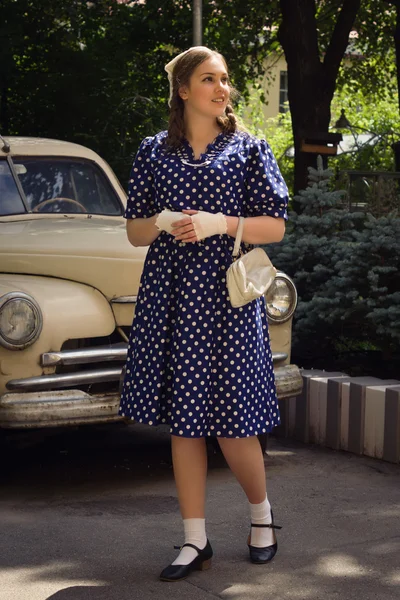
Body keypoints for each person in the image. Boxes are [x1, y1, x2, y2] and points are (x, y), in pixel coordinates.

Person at [118, 46, 289, 582]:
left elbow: (276, 226)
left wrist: (221, 223)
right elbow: (135, 229)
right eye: (209, 79)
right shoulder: (153, 151)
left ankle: (262, 520)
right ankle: (195, 540)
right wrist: (165, 219)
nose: (222, 89)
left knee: (235, 423)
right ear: (184, 90)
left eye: (225, 80)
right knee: (184, 424)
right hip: (173, 297)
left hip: (229, 301)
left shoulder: (249, 148)